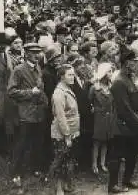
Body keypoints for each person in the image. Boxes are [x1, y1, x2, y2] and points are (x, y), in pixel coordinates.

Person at [8, 42, 48, 185]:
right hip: (25, 113)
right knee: (21, 144)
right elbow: (11, 91)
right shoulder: (19, 70)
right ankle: (16, 173)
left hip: (38, 113)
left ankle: (35, 168)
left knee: (37, 142)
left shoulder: (38, 68)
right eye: (33, 52)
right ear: (26, 53)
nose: (37, 55)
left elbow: (41, 88)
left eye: (38, 52)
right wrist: (30, 93)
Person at [108, 47, 138, 193]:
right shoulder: (119, 82)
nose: (136, 64)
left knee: (132, 154)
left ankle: (127, 180)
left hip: (131, 124)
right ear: (126, 63)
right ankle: (112, 186)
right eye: (134, 61)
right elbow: (124, 109)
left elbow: (134, 104)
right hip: (121, 126)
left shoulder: (129, 78)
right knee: (116, 156)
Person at [50, 64, 80, 195]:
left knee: (68, 160)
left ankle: (66, 185)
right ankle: (58, 188)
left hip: (71, 131)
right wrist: (67, 135)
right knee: (60, 160)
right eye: (70, 75)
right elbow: (61, 117)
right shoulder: (59, 93)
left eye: (73, 74)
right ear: (62, 77)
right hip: (62, 133)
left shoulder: (67, 89)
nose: (73, 77)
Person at [88, 62, 116, 174]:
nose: (111, 73)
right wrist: (93, 108)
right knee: (97, 142)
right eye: (109, 71)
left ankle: (102, 163)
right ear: (103, 73)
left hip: (109, 117)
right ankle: (94, 164)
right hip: (98, 118)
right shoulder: (95, 88)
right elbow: (89, 102)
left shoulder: (111, 87)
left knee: (106, 141)